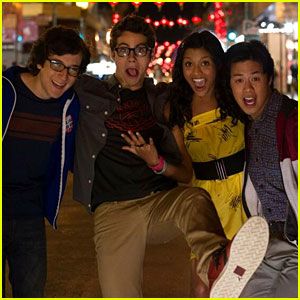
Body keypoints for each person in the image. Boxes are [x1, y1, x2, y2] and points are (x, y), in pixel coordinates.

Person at [73, 14, 268, 298]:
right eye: (124, 50)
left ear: (150, 55)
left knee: (194, 198)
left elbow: (187, 171)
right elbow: (53, 81)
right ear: (113, 53)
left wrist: (156, 162)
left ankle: (214, 262)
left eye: (140, 50)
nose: (132, 59)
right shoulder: (89, 93)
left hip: (158, 202)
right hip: (114, 211)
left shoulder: (162, 100)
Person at [2, 25, 90, 297]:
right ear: (40, 61)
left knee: (31, 291)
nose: (63, 76)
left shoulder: (69, 105)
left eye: (72, 69)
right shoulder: (6, 90)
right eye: (56, 64)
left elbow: (81, 152)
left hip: (29, 214)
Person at [221, 40, 298, 298]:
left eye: (255, 78)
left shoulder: (291, 121)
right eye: (238, 80)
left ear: (269, 79)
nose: (247, 88)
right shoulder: (249, 127)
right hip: (266, 244)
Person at [167, 30, 247, 240]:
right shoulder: (177, 109)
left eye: (205, 63)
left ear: (217, 65)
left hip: (246, 196)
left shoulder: (234, 96)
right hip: (205, 202)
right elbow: (186, 173)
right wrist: (156, 163)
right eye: (188, 64)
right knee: (204, 269)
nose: (196, 73)